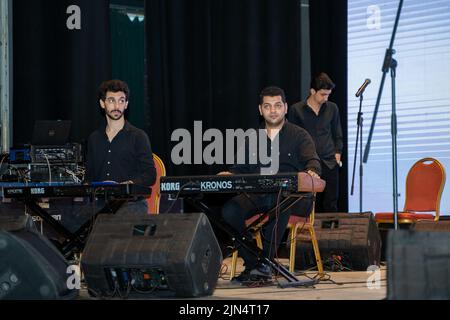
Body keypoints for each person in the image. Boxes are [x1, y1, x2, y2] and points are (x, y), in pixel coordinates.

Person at [220, 86, 321, 284]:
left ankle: (262, 265)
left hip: (294, 198)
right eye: (267, 106)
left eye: (277, 106)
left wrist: (312, 171)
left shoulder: (300, 136)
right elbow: (239, 170)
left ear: (285, 108)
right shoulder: (251, 138)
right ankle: (257, 263)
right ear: (260, 110)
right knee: (230, 210)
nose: (272, 110)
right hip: (258, 195)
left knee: (281, 201)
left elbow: (313, 162)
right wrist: (229, 174)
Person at [85, 79, 156, 214]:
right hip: (101, 205)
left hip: (131, 204)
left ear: (126, 104)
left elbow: (150, 175)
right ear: (102, 103)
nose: (117, 105)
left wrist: (128, 184)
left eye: (121, 100)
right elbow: (89, 176)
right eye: (111, 100)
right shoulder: (94, 138)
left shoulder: (138, 136)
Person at [289, 72, 343, 212]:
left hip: (330, 162)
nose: (326, 98)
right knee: (306, 202)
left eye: (328, 95)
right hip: (308, 163)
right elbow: (293, 137)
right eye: (323, 94)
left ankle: (330, 233)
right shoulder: (296, 109)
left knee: (331, 203)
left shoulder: (332, 108)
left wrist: (338, 153)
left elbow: (337, 134)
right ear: (312, 91)